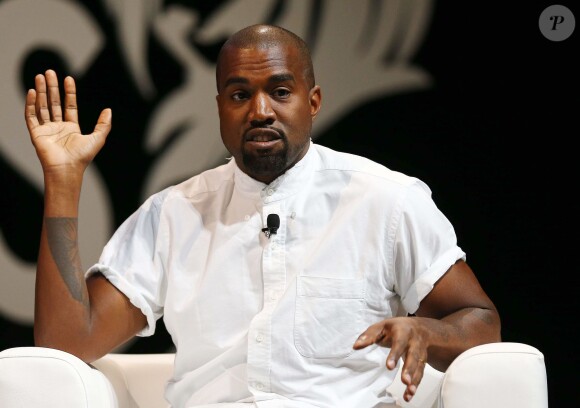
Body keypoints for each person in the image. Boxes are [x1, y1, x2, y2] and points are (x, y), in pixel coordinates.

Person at [25, 24, 501, 407]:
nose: (259, 110)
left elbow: (482, 322)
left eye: (279, 91)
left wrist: (426, 329)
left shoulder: (387, 200)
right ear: (219, 109)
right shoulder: (172, 214)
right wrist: (63, 183)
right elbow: (67, 343)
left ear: (312, 102)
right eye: (238, 95)